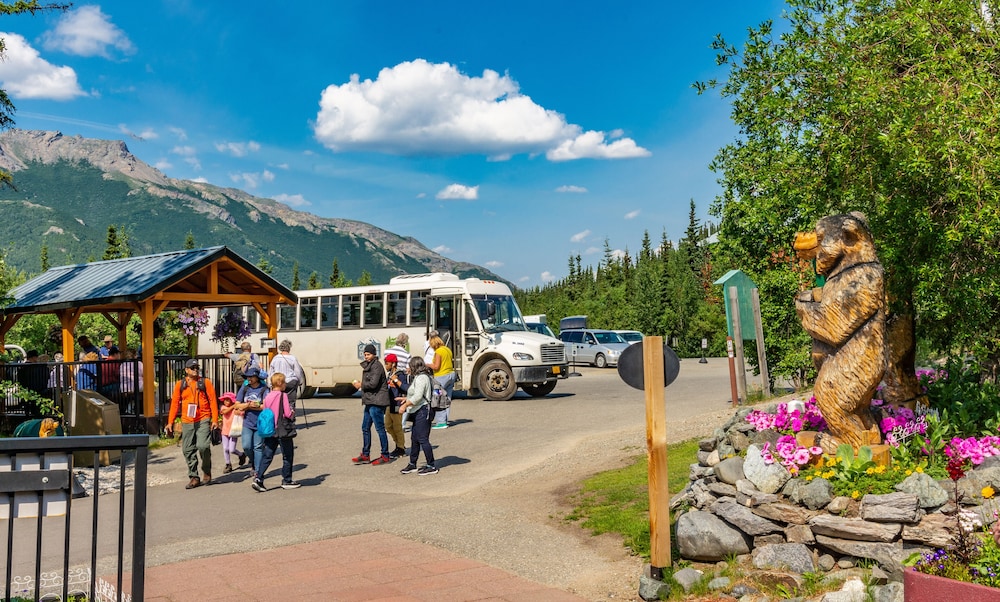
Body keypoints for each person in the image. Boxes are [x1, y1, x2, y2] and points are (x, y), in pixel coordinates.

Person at [164, 358, 221, 489]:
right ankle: (194, 476)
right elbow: (174, 404)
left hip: (203, 418)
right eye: (192, 368)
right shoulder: (180, 384)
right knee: (187, 449)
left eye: (197, 368)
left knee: (203, 446)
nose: (195, 370)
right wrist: (170, 422)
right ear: (186, 370)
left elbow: (213, 401)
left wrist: (214, 420)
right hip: (187, 420)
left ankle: (206, 471)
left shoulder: (205, 382)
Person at [252, 372, 300, 491]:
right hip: (282, 429)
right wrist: (292, 411)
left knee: (267, 455)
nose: (285, 385)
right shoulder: (283, 396)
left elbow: (266, 411)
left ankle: (258, 478)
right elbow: (287, 413)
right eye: (284, 382)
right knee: (287, 455)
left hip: (270, 430)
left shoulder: (267, 396)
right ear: (280, 383)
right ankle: (287, 480)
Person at [351, 344, 392, 465]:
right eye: (365, 354)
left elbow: (373, 384)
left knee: (380, 428)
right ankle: (365, 454)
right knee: (365, 427)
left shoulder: (377, 366)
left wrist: (361, 385)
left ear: (374, 354)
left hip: (377, 401)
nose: (366, 356)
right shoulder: (369, 365)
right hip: (370, 401)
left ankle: (385, 455)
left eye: (368, 354)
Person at [397, 356, 438, 475]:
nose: (408, 369)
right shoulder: (420, 377)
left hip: (423, 411)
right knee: (414, 438)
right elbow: (416, 394)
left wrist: (405, 405)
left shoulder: (421, 378)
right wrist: (406, 399)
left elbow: (418, 396)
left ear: (414, 366)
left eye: (410, 366)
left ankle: (431, 465)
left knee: (423, 439)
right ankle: (412, 463)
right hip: (419, 410)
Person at [235, 366, 269, 480]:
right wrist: (248, 405)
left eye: (251, 377)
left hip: (260, 422)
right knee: (246, 446)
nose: (249, 379)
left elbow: (266, 406)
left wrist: (256, 406)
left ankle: (258, 472)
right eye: (247, 377)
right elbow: (237, 404)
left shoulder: (264, 389)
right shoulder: (245, 388)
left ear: (257, 377)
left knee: (258, 447)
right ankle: (254, 462)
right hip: (247, 422)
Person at [268, 339, 305, 410]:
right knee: (290, 401)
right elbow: (298, 372)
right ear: (289, 348)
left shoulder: (275, 358)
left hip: (278, 382)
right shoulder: (292, 358)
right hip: (290, 381)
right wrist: (300, 381)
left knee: (279, 400)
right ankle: (290, 413)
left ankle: (280, 414)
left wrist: (270, 383)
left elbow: (271, 372)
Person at [428, 334, 455, 429]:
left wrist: (427, 364)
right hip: (451, 375)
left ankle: (441, 422)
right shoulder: (447, 349)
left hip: (441, 377)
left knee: (438, 398)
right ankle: (445, 420)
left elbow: (436, 366)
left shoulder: (438, 352)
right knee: (447, 398)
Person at [384, 353, 408, 457]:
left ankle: (400, 448)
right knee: (388, 426)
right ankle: (398, 444)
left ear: (393, 364)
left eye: (387, 363)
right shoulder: (389, 374)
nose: (386, 365)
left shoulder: (400, 374)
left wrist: (396, 380)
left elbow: (405, 388)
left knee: (397, 427)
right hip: (389, 403)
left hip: (397, 403)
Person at [218, 391, 247, 474]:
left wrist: (240, 411)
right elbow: (224, 412)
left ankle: (241, 455)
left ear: (232, 401)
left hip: (234, 431)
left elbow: (241, 413)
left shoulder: (235, 408)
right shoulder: (223, 407)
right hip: (225, 431)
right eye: (225, 400)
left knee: (232, 449)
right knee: (225, 448)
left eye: (228, 400)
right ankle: (228, 464)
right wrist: (234, 406)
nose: (226, 402)